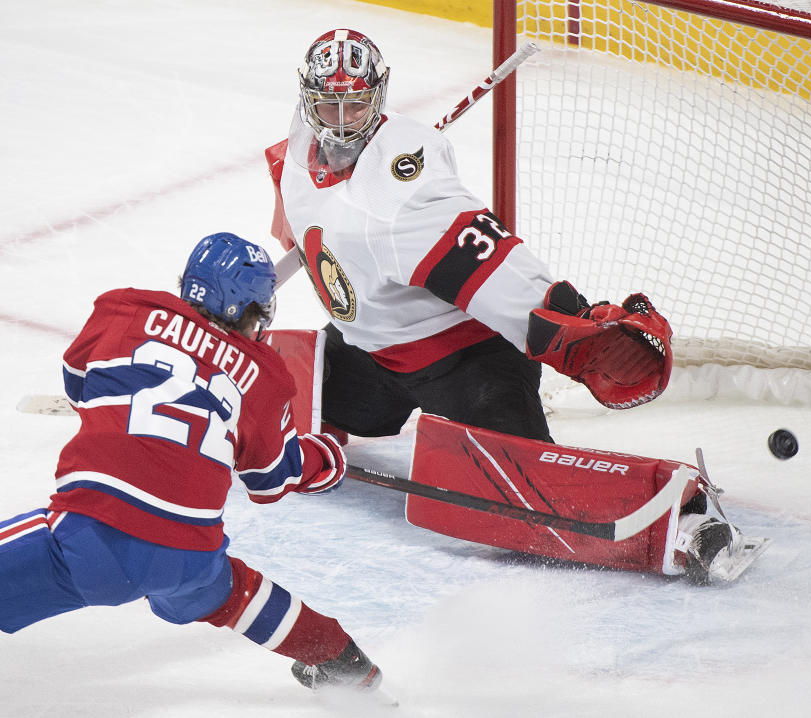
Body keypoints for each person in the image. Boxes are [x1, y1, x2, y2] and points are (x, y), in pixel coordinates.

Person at [0, 233, 383, 695]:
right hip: (189, 558)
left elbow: (79, 383)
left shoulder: (123, 310)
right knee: (228, 593)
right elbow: (271, 480)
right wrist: (325, 459)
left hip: (91, 536)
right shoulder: (264, 373)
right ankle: (343, 661)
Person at [265, 28, 674, 445]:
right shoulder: (301, 158)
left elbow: (492, 264)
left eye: (355, 105)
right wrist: (288, 202)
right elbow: (288, 163)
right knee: (282, 393)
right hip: (370, 352)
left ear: (378, 96)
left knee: (514, 474)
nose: (341, 122)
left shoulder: (405, 200)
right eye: (327, 107)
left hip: (465, 358)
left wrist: (575, 327)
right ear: (307, 100)